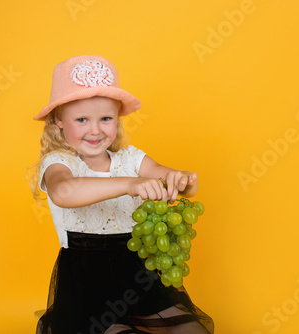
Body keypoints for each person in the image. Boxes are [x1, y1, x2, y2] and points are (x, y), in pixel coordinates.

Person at [29, 55, 214, 334]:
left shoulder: (130, 159)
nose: (95, 130)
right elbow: (63, 192)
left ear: (117, 119)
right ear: (59, 120)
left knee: (191, 331)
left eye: (105, 118)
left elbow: (185, 184)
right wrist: (129, 185)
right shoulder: (60, 163)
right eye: (81, 119)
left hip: (137, 273)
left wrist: (182, 180)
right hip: (86, 281)